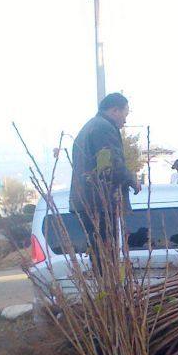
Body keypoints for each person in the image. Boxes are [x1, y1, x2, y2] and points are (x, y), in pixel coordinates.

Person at [69, 92, 140, 260]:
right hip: (99, 203)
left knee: (100, 255)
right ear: (115, 110)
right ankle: (110, 287)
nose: (125, 120)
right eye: (125, 114)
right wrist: (131, 179)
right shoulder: (103, 128)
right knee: (107, 258)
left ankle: (106, 285)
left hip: (87, 202)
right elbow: (109, 166)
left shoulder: (89, 127)